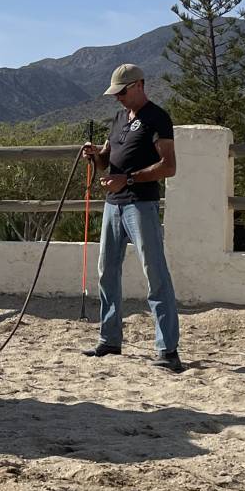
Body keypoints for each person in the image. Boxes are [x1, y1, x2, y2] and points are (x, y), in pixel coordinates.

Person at [82, 63, 183, 372]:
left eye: (122, 92)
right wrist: (95, 155)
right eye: (116, 93)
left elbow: (169, 166)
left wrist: (127, 179)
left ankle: (168, 350)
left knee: (155, 274)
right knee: (107, 272)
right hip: (113, 205)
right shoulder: (118, 119)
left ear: (139, 85)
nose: (118, 98)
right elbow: (106, 161)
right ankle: (109, 339)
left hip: (141, 204)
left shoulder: (158, 118)